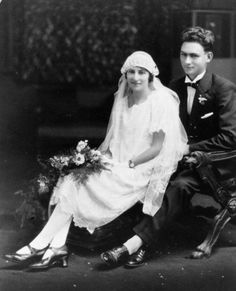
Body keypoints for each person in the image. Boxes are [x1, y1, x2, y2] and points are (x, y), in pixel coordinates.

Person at [5, 51, 187, 270]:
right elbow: (114, 141)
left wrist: (128, 163)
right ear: (125, 74)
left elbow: (157, 148)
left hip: (141, 168)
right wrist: (101, 159)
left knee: (76, 185)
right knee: (71, 179)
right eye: (131, 72)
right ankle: (54, 248)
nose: (136, 77)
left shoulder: (160, 101)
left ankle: (40, 247)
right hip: (118, 162)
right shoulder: (123, 98)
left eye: (141, 72)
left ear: (150, 75)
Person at [102, 26, 236, 268]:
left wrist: (190, 148)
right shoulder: (172, 88)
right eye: (183, 55)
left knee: (177, 185)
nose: (187, 61)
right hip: (177, 160)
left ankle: (138, 244)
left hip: (215, 165)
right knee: (147, 176)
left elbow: (231, 137)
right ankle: (117, 232)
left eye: (194, 55)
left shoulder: (223, 88)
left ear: (208, 57)